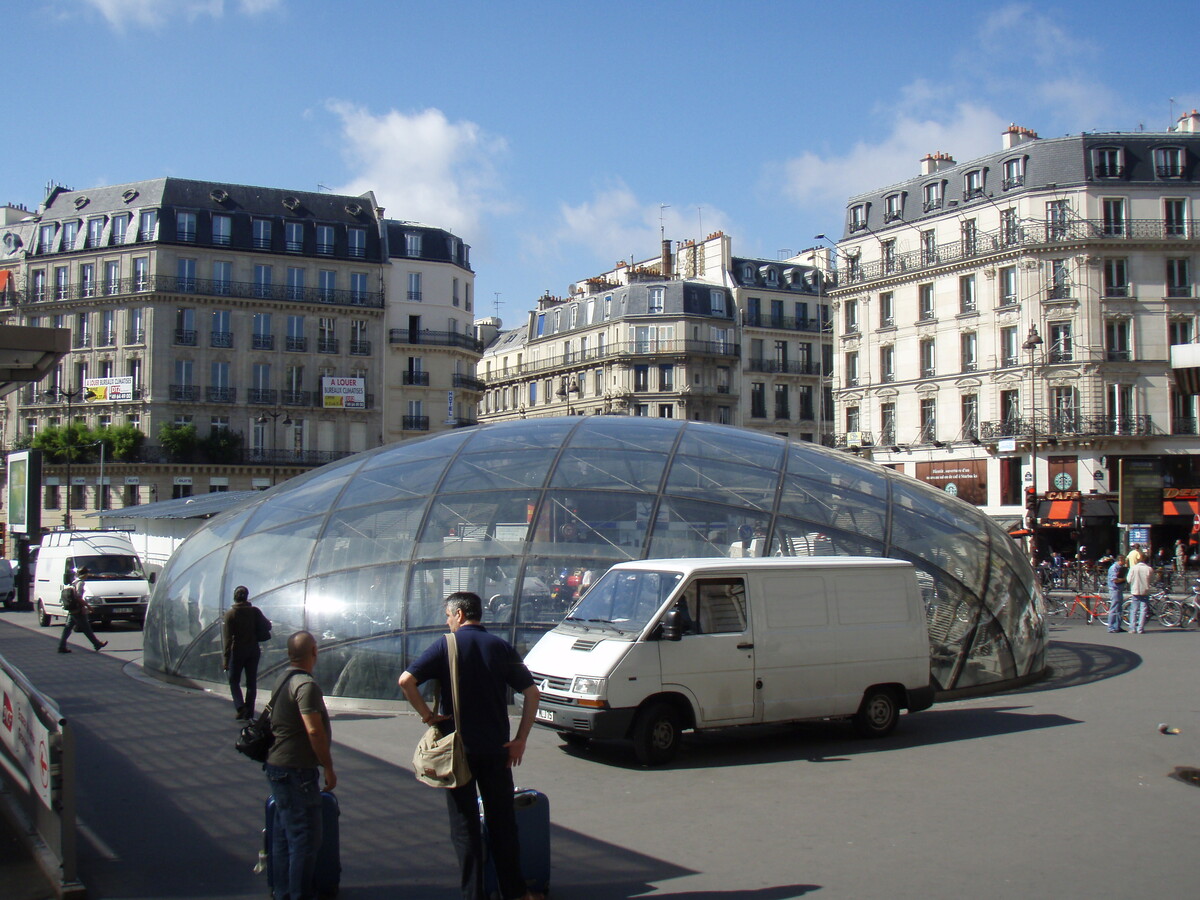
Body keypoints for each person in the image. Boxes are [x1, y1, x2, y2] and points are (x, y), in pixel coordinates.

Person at [399, 592, 543, 900]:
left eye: (449, 616)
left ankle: (473, 894)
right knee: (503, 824)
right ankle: (516, 893)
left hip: (458, 752)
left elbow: (406, 681)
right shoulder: (500, 646)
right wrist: (520, 740)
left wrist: (428, 716)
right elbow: (532, 693)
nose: (447, 621)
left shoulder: (445, 645)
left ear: (460, 615)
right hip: (498, 750)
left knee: (465, 828)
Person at [265, 631, 336, 900]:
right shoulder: (306, 686)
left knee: (285, 835)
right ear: (314, 652)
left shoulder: (281, 679)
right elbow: (314, 731)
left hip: (277, 766)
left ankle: (283, 890)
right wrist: (327, 766)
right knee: (305, 840)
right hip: (297, 770)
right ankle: (299, 894)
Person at [222, 585, 270, 719]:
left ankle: (240, 706)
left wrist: (226, 660)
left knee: (234, 681)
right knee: (251, 683)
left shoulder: (230, 614)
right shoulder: (255, 611)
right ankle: (249, 712)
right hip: (253, 650)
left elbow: (227, 640)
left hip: (238, 651)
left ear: (235, 597)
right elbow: (268, 625)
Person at [56, 566, 107, 653]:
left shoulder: (74, 582)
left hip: (72, 609)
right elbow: (78, 597)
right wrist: (88, 606)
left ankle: (61, 646)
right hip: (78, 609)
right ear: (84, 574)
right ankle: (97, 644)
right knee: (86, 628)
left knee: (68, 628)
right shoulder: (80, 583)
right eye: (87, 573)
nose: (88, 575)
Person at [1125, 553, 1153, 634]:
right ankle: (1140, 628)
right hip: (1145, 591)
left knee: (1134, 610)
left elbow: (1129, 580)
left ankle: (1132, 628)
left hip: (1135, 590)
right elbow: (1152, 580)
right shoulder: (1149, 569)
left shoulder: (1133, 568)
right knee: (1143, 610)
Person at [1105, 556, 1127, 633]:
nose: (1125, 562)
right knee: (1114, 608)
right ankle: (1111, 627)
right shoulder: (1113, 568)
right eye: (1124, 560)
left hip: (1119, 589)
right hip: (1114, 590)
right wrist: (1124, 579)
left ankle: (1117, 626)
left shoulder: (1121, 568)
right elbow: (1115, 580)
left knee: (1119, 609)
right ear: (1120, 560)